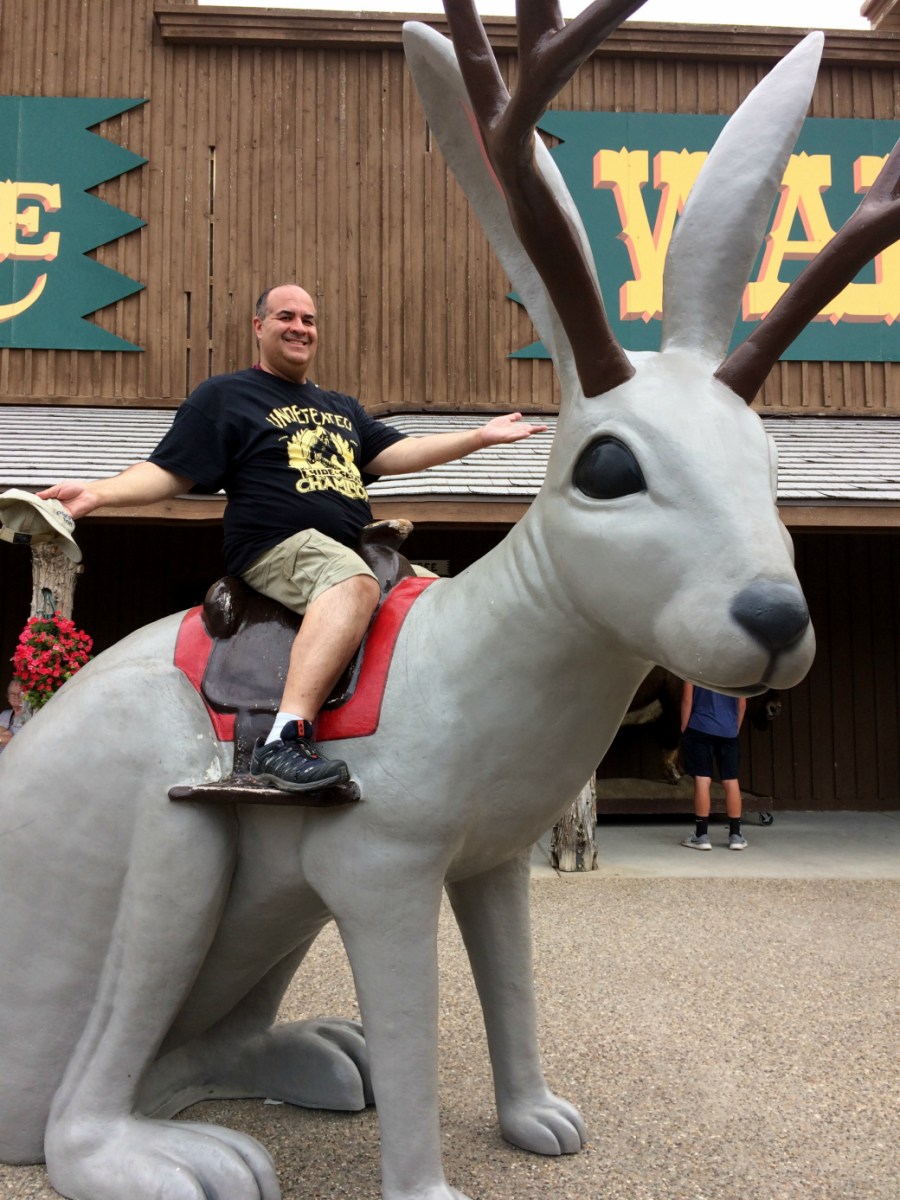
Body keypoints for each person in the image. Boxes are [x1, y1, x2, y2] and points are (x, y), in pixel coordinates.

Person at [38, 283, 547, 792]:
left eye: (309, 319)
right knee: (351, 583)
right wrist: (98, 493)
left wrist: (478, 437)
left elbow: (397, 453)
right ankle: (284, 739)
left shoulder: (340, 406)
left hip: (355, 548)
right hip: (277, 545)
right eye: (286, 316)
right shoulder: (226, 396)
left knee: (441, 606)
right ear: (258, 326)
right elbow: (169, 471)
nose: (300, 327)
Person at [679, 681, 747, 851]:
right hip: (729, 730)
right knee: (731, 780)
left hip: (700, 727)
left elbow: (687, 699)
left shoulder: (694, 667)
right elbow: (742, 704)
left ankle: (701, 835)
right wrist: (734, 729)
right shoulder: (738, 671)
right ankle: (736, 836)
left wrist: (684, 728)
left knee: (702, 778)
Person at [0, 680, 29, 754]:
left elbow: (20, 741)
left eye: (20, 693)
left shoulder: (30, 715)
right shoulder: (4, 715)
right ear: (8, 697)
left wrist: (4, 738)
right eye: (12, 693)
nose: (16, 696)